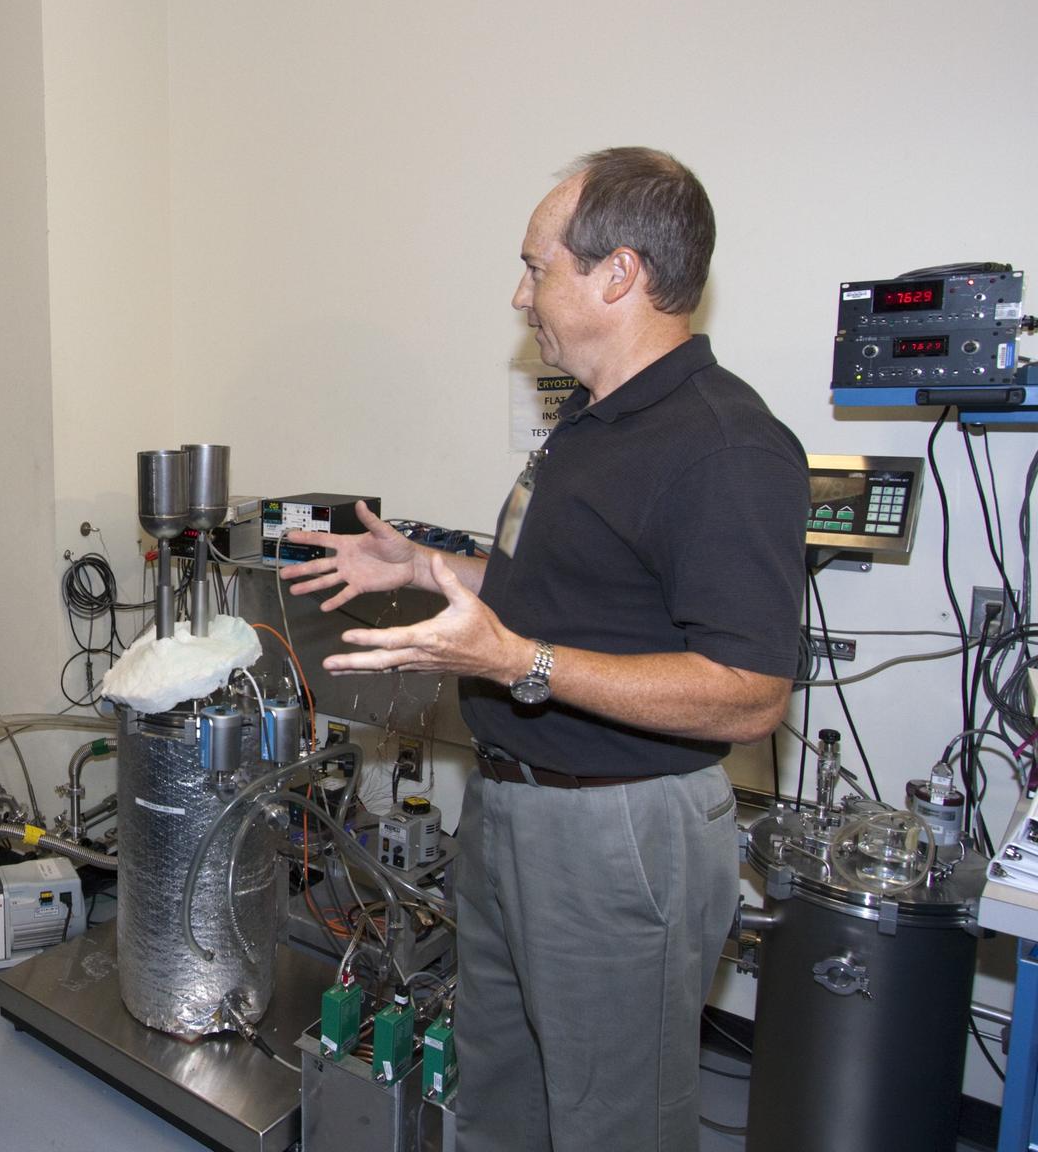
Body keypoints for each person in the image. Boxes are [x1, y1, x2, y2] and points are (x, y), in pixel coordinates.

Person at [284, 148, 806, 1152]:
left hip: (622, 834)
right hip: (513, 809)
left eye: (537, 268)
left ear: (619, 274)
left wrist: (520, 663)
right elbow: (554, 594)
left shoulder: (726, 446)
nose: (519, 296)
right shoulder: (591, 423)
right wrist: (421, 563)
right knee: (499, 1097)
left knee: (614, 1125)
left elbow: (748, 694)